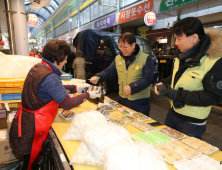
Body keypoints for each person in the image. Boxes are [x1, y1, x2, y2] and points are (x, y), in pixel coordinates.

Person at [9, 40, 101, 170]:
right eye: (65, 58)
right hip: (34, 127)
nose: (65, 62)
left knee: (29, 160)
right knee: (31, 163)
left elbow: (54, 89)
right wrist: (88, 95)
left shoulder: (38, 68)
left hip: (26, 121)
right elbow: (67, 103)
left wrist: (76, 88)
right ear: (55, 58)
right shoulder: (50, 76)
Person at [155, 17, 222, 139]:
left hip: (192, 122)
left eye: (179, 38)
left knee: (186, 156)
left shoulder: (213, 60)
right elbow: (177, 76)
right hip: (173, 113)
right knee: (166, 147)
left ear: (194, 38)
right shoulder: (182, 55)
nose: (176, 42)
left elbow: (214, 96)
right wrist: (163, 83)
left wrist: (177, 95)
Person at [90, 32, 154, 116]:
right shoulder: (118, 58)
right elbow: (109, 71)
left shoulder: (146, 58)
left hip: (139, 103)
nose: (122, 49)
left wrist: (133, 87)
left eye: (125, 47)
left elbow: (148, 78)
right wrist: (98, 76)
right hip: (122, 100)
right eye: (120, 46)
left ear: (133, 45)